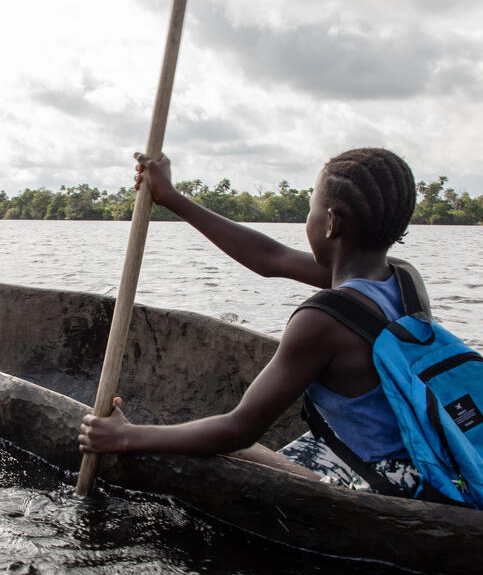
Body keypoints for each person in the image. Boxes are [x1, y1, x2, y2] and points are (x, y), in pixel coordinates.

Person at [77, 147, 425, 496]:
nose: (309, 219)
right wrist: (170, 197)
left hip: (386, 485)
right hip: (426, 458)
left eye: (310, 208)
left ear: (331, 223)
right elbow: (271, 257)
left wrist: (125, 436)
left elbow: (238, 430)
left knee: (240, 454)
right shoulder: (406, 278)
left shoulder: (322, 320)